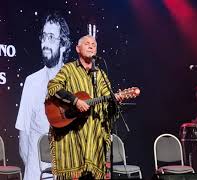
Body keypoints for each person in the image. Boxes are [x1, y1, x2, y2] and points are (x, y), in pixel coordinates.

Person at [47, 35, 121, 179]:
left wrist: (114, 100)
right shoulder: (68, 69)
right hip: (72, 134)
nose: (91, 46)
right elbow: (53, 86)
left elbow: (107, 99)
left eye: (94, 44)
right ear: (77, 49)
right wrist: (75, 101)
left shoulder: (100, 75)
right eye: (87, 43)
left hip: (93, 135)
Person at [15, 12, 71, 180]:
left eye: (51, 37)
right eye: (44, 37)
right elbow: (23, 137)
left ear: (63, 44)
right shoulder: (31, 82)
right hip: (35, 173)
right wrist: (33, 170)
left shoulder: (75, 82)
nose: (45, 43)